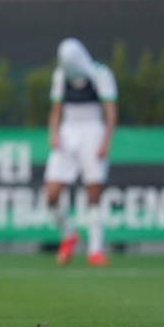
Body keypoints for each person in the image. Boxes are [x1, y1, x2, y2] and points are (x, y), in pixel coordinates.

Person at [44, 38, 118, 267]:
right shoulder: (60, 76)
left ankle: (95, 250)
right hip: (68, 134)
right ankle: (68, 234)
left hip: (93, 132)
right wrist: (53, 133)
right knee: (52, 195)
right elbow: (56, 109)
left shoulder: (101, 74)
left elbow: (110, 110)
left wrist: (106, 141)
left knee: (93, 192)